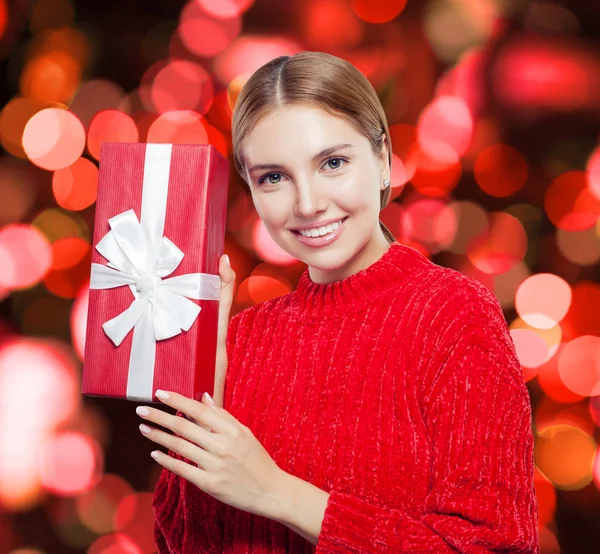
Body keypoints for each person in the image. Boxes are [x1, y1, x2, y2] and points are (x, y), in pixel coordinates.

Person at [145, 51, 540, 552]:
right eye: (273, 177)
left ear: (381, 161)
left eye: (333, 163)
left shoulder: (453, 314)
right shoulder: (240, 337)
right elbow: (182, 542)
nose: (307, 203)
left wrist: (278, 494)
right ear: (251, 188)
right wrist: (209, 376)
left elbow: (491, 544)